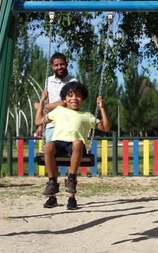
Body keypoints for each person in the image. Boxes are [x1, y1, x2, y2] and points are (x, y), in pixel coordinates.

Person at [35, 81, 111, 210]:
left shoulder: (86, 116)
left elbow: (106, 127)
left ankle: (71, 178)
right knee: (48, 146)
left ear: (83, 99)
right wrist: (42, 101)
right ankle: (52, 181)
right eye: (70, 95)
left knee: (77, 142)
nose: (74, 99)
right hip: (59, 143)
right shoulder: (58, 111)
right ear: (64, 99)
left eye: (78, 96)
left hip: (76, 146)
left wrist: (102, 108)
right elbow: (38, 121)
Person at [36, 52, 78, 208]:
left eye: (62, 64)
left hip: (68, 123)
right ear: (52, 66)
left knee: (70, 158)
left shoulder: (73, 81)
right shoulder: (49, 81)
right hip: (52, 124)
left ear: (66, 64)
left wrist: (45, 106)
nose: (60, 67)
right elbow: (46, 102)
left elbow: (66, 103)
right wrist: (41, 125)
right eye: (56, 65)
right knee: (50, 155)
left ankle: (71, 197)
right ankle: (52, 194)